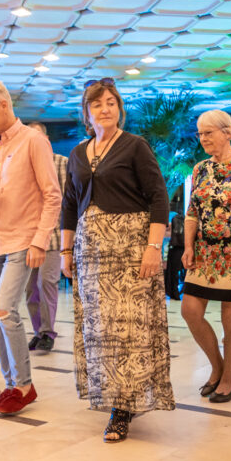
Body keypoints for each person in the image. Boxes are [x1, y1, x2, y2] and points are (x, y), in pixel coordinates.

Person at [61, 78, 174, 442]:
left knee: (127, 330)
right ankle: (110, 394)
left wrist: (153, 248)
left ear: (119, 108)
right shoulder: (79, 153)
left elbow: (159, 197)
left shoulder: (134, 146)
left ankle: (122, 408)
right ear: (87, 112)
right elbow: (68, 205)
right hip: (90, 251)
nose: (105, 109)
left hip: (130, 247)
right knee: (100, 330)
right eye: (97, 104)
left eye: (111, 102)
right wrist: (65, 251)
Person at [0, 80, 61, 415]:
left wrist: (40, 241)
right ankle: (10, 385)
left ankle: (24, 385)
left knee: (6, 311)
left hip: (23, 240)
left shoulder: (34, 141)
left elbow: (52, 196)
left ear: (3, 105)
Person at [181, 110, 231, 404]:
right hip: (204, 253)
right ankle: (217, 367)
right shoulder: (200, 168)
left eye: (209, 133)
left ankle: (228, 379)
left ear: (227, 133)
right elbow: (192, 211)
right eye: (200, 134)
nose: (203, 139)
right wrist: (188, 245)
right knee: (190, 310)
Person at [24, 122, 68, 353]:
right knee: (30, 289)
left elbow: (68, 202)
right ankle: (38, 331)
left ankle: (48, 332)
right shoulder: (23, 166)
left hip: (53, 237)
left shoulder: (62, 163)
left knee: (47, 283)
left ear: (47, 140)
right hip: (28, 239)